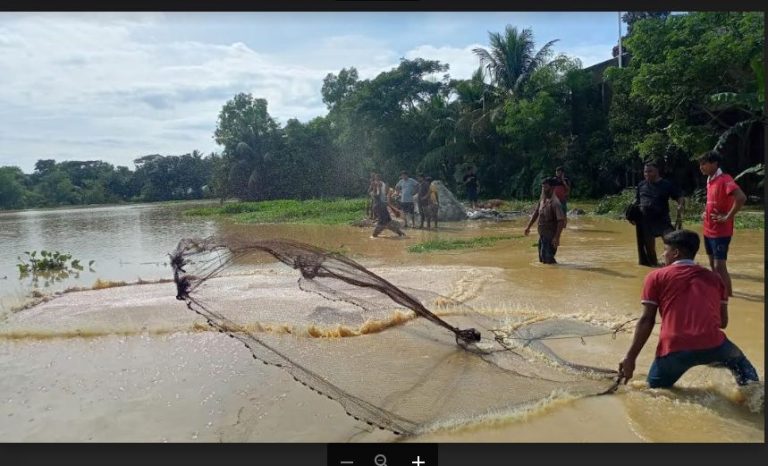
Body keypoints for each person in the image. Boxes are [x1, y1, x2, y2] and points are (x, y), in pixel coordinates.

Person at [618, 230, 758, 389]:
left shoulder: (655, 277)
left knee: (653, 390)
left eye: (665, 250)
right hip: (714, 345)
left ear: (675, 253)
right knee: (741, 366)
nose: (663, 254)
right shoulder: (715, 279)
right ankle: (755, 402)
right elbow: (722, 322)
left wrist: (630, 358)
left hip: (674, 348)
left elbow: (647, 320)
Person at [698, 151, 746, 297]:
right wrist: (705, 212)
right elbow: (713, 201)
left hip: (721, 231)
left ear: (715, 164)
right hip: (708, 229)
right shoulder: (710, 180)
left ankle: (728, 297)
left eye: (704, 163)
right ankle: (718, 292)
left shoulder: (725, 179)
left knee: (720, 266)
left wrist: (727, 217)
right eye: (700, 164)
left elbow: (741, 198)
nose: (701, 167)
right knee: (712, 264)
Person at [630, 161, 684, 267]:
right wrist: (631, 215)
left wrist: (680, 205)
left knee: (672, 242)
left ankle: (676, 265)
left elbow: (679, 196)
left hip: (662, 220)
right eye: (645, 172)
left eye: (650, 171)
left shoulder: (666, 184)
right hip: (645, 221)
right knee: (649, 249)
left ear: (657, 171)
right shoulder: (641, 185)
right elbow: (637, 201)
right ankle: (654, 267)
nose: (647, 174)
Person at [524, 178, 566, 264]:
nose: (543, 189)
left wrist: (557, 238)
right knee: (542, 259)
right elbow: (536, 212)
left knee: (548, 260)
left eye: (546, 187)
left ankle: (555, 275)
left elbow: (561, 221)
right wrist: (528, 227)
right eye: (542, 187)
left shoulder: (555, 203)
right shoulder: (542, 199)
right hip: (542, 235)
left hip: (550, 236)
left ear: (552, 188)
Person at [370, 173, 405, 238]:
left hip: (381, 210)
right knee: (388, 223)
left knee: (375, 234)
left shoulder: (378, 191)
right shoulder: (377, 189)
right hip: (382, 210)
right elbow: (384, 201)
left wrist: (378, 188)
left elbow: (379, 197)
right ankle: (401, 234)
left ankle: (401, 234)